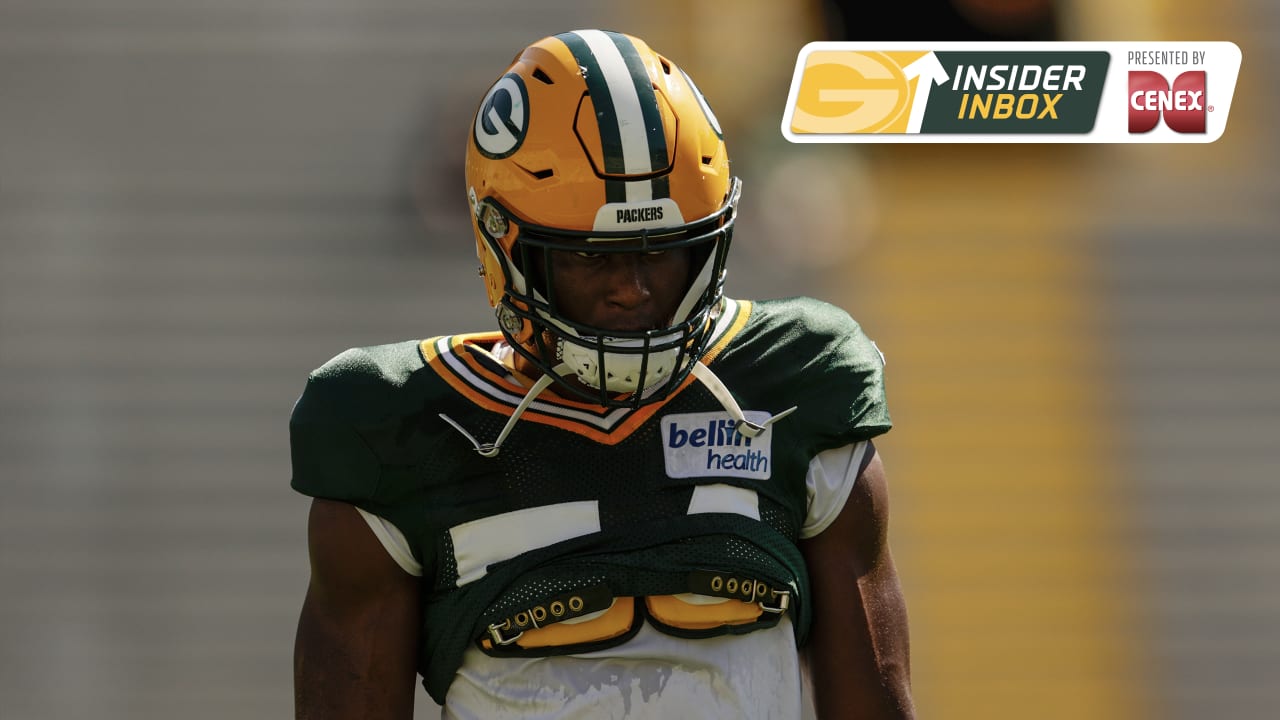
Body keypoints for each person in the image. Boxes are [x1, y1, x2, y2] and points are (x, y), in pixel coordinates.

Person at [291, 29, 914, 720]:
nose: (634, 291)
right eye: (593, 259)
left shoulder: (793, 383)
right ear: (506, 247)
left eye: (664, 253)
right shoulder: (402, 431)